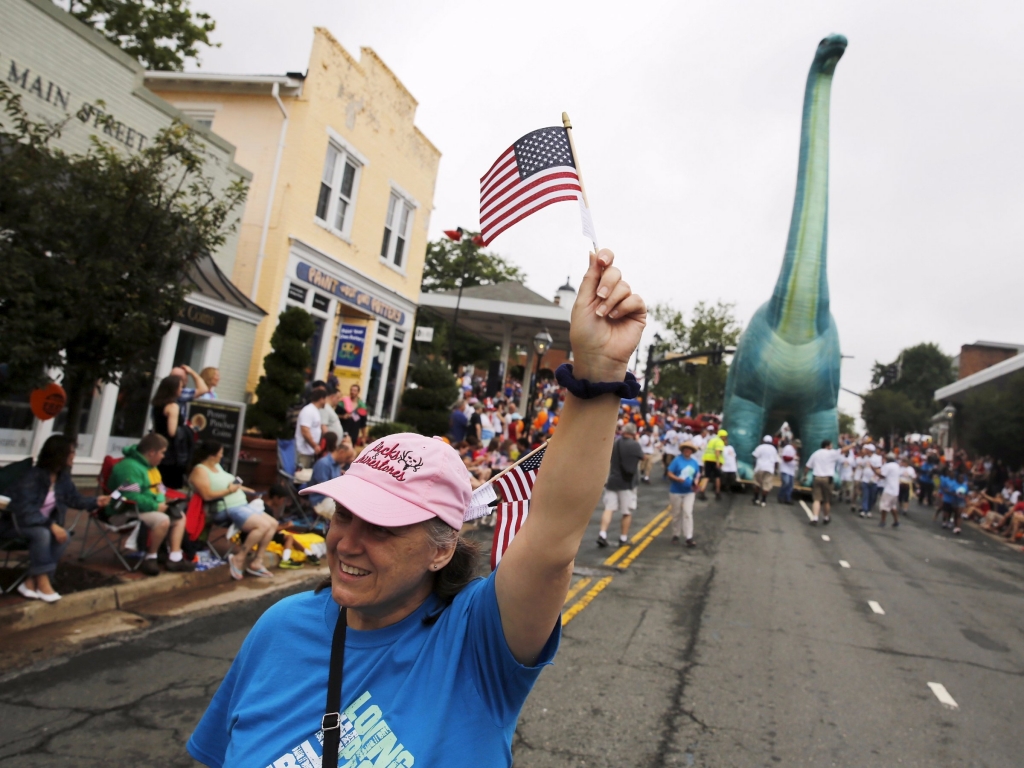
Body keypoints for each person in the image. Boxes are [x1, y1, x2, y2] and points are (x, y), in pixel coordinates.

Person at [186, 247, 645, 768]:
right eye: (345, 514)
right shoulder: (280, 627)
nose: (348, 542)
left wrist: (600, 370)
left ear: (442, 548)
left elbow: (552, 541)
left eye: (383, 527)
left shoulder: (476, 645)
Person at [2, 435, 110, 601]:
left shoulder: (62, 478)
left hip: (42, 526)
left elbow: (74, 499)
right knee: (44, 534)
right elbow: (25, 510)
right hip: (15, 524)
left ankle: (31, 580)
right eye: (71, 452)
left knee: (64, 536)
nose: (74, 456)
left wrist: (96, 501)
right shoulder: (32, 477)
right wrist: (51, 525)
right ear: (59, 454)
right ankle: (44, 581)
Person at [188, 439, 279, 579]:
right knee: (262, 526)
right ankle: (239, 558)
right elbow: (207, 495)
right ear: (212, 455)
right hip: (225, 508)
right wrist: (230, 491)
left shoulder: (217, 466)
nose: (221, 456)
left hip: (241, 505)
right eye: (220, 453)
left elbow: (228, 484)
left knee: (273, 523)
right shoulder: (200, 470)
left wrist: (245, 489)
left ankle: (257, 561)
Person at [108, 434, 196, 576]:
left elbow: (159, 488)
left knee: (179, 517)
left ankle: (175, 558)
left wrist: (162, 501)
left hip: (144, 508)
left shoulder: (152, 468)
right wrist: (156, 506)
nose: (163, 456)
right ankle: (151, 558)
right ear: (151, 452)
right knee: (162, 520)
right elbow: (129, 495)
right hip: (125, 510)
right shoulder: (129, 468)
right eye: (162, 452)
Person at [597, 422, 645, 547]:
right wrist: (637, 441)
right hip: (627, 483)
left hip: (613, 480)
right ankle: (623, 538)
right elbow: (642, 457)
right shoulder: (635, 445)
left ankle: (602, 534)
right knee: (626, 512)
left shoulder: (615, 443)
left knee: (609, 509)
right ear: (634, 433)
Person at [151, 374, 191, 489]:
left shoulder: (157, 404)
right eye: (180, 387)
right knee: (171, 486)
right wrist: (187, 430)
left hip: (158, 446)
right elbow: (172, 431)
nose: (181, 390)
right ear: (173, 389)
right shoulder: (173, 406)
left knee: (158, 484)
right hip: (172, 452)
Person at [306, 437, 356, 519]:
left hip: (331, 498)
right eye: (347, 458)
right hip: (321, 500)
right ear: (341, 452)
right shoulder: (324, 464)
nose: (348, 460)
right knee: (347, 515)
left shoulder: (337, 464)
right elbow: (324, 488)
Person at [804, 439, 848, 525]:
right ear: (827, 446)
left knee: (816, 499)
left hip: (817, 477)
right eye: (831, 445)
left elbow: (807, 466)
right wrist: (853, 445)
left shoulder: (816, 453)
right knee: (826, 500)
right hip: (827, 479)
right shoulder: (831, 453)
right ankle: (826, 517)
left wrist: (805, 475)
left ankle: (815, 517)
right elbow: (843, 450)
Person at [667, 442, 701, 547]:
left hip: (689, 491)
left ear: (692, 452)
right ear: (683, 451)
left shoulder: (694, 462)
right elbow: (669, 472)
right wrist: (677, 479)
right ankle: (676, 534)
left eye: (689, 450)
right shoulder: (677, 460)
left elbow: (697, 474)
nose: (687, 451)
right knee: (676, 513)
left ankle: (688, 536)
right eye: (685, 449)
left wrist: (696, 481)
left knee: (687, 512)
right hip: (676, 490)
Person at [296, 388, 327, 469]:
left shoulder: (315, 411)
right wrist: (315, 446)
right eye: (325, 399)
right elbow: (305, 431)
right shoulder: (308, 410)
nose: (326, 402)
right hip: (303, 452)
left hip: (309, 451)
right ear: (321, 399)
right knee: (301, 476)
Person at [751, 435, 779, 507]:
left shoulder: (760, 447)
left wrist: (754, 466)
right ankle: (763, 501)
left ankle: (756, 499)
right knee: (766, 485)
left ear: (763, 441)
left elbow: (754, 456)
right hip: (769, 469)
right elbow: (776, 461)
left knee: (757, 484)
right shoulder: (773, 449)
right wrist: (775, 469)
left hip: (759, 468)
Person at [699, 429, 726, 501]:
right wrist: (717, 461)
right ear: (722, 436)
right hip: (714, 460)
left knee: (706, 476)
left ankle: (702, 490)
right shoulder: (720, 441)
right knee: (717, 476)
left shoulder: (712, 440)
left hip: (707, 459)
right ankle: (717, 493)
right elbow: (717, 451)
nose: (725, 438)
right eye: (725, 437)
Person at [877, 452, 902, 528]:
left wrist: (874, 471)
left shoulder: (887, 466)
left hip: (889, 489)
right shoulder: (897, 466)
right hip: (895, 490)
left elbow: (882, 476)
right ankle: (896, 521)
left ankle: (883, 521)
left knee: (884, 506)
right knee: (892, 506)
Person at [859, 444, 882, 518]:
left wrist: (875, 476)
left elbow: (878, 469)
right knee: (865, 495)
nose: (864, 450)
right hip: (865, 479)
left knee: (872, 496)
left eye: (866, 449)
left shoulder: (877, 458)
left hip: (873, 480)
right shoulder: (865, 457)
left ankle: (868, 510)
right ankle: (864, 510)